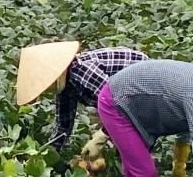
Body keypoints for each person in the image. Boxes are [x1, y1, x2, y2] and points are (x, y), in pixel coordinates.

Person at [15, 40, 148, 153]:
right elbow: (63, 126)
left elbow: (118, 104)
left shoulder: (81, 72)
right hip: (127, 94)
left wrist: (102, 136)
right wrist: (48, 154)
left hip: (146, 81)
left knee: (129, 141)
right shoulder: (66, 85)